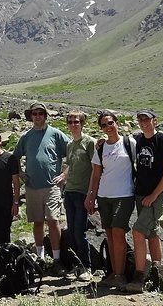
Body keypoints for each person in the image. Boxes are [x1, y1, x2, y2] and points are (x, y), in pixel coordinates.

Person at [13, 102, 70, 276]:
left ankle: (57, 259)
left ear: (45, 115)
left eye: (40, 113)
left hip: (52, 186)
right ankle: (41, 258)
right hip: (32, 187)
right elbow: (15, 157)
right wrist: (21, 172)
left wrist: (64, 174)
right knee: (38, 222)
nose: (37, 116)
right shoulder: (26, 136)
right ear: (31, 116)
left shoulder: (55, 134)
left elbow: (72, 153)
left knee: (53, 221)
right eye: (34, 113)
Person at [124, 109, 163, 293]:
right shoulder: (137, 140)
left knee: (138, 231)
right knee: (152, 231)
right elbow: (121, 146)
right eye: (140, 119)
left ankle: (139, 277)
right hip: (141, 193)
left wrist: (154, 196)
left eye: (146, 119)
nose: (143, 122)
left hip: (157, 195)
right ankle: (158, 270)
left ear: (155, 120)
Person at [84, 111, 136, 290]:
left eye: (110, 123)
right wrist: (91, 196)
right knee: (110, 235)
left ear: (117, 123)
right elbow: (96, 174)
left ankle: (120, 275)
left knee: (118, 233)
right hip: (104, 196)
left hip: (124, 194)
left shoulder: (130, 143)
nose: (108, 127)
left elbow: (144, 163)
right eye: (104, 125)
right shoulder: (101, 147)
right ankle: (114, 273)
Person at [55, 110, 95, 281]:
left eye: (76, 122)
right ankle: (76, 266)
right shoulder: (70, 144)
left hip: (83, 192)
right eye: (70, 122)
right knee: (71, 231)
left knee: (80, 231)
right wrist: (63, 176)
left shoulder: (90, 143)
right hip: (70, 192)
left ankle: (87, 266)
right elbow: (70, 165)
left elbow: (96, 169)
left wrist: (93, 195)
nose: (73, 125)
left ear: (82, 123)